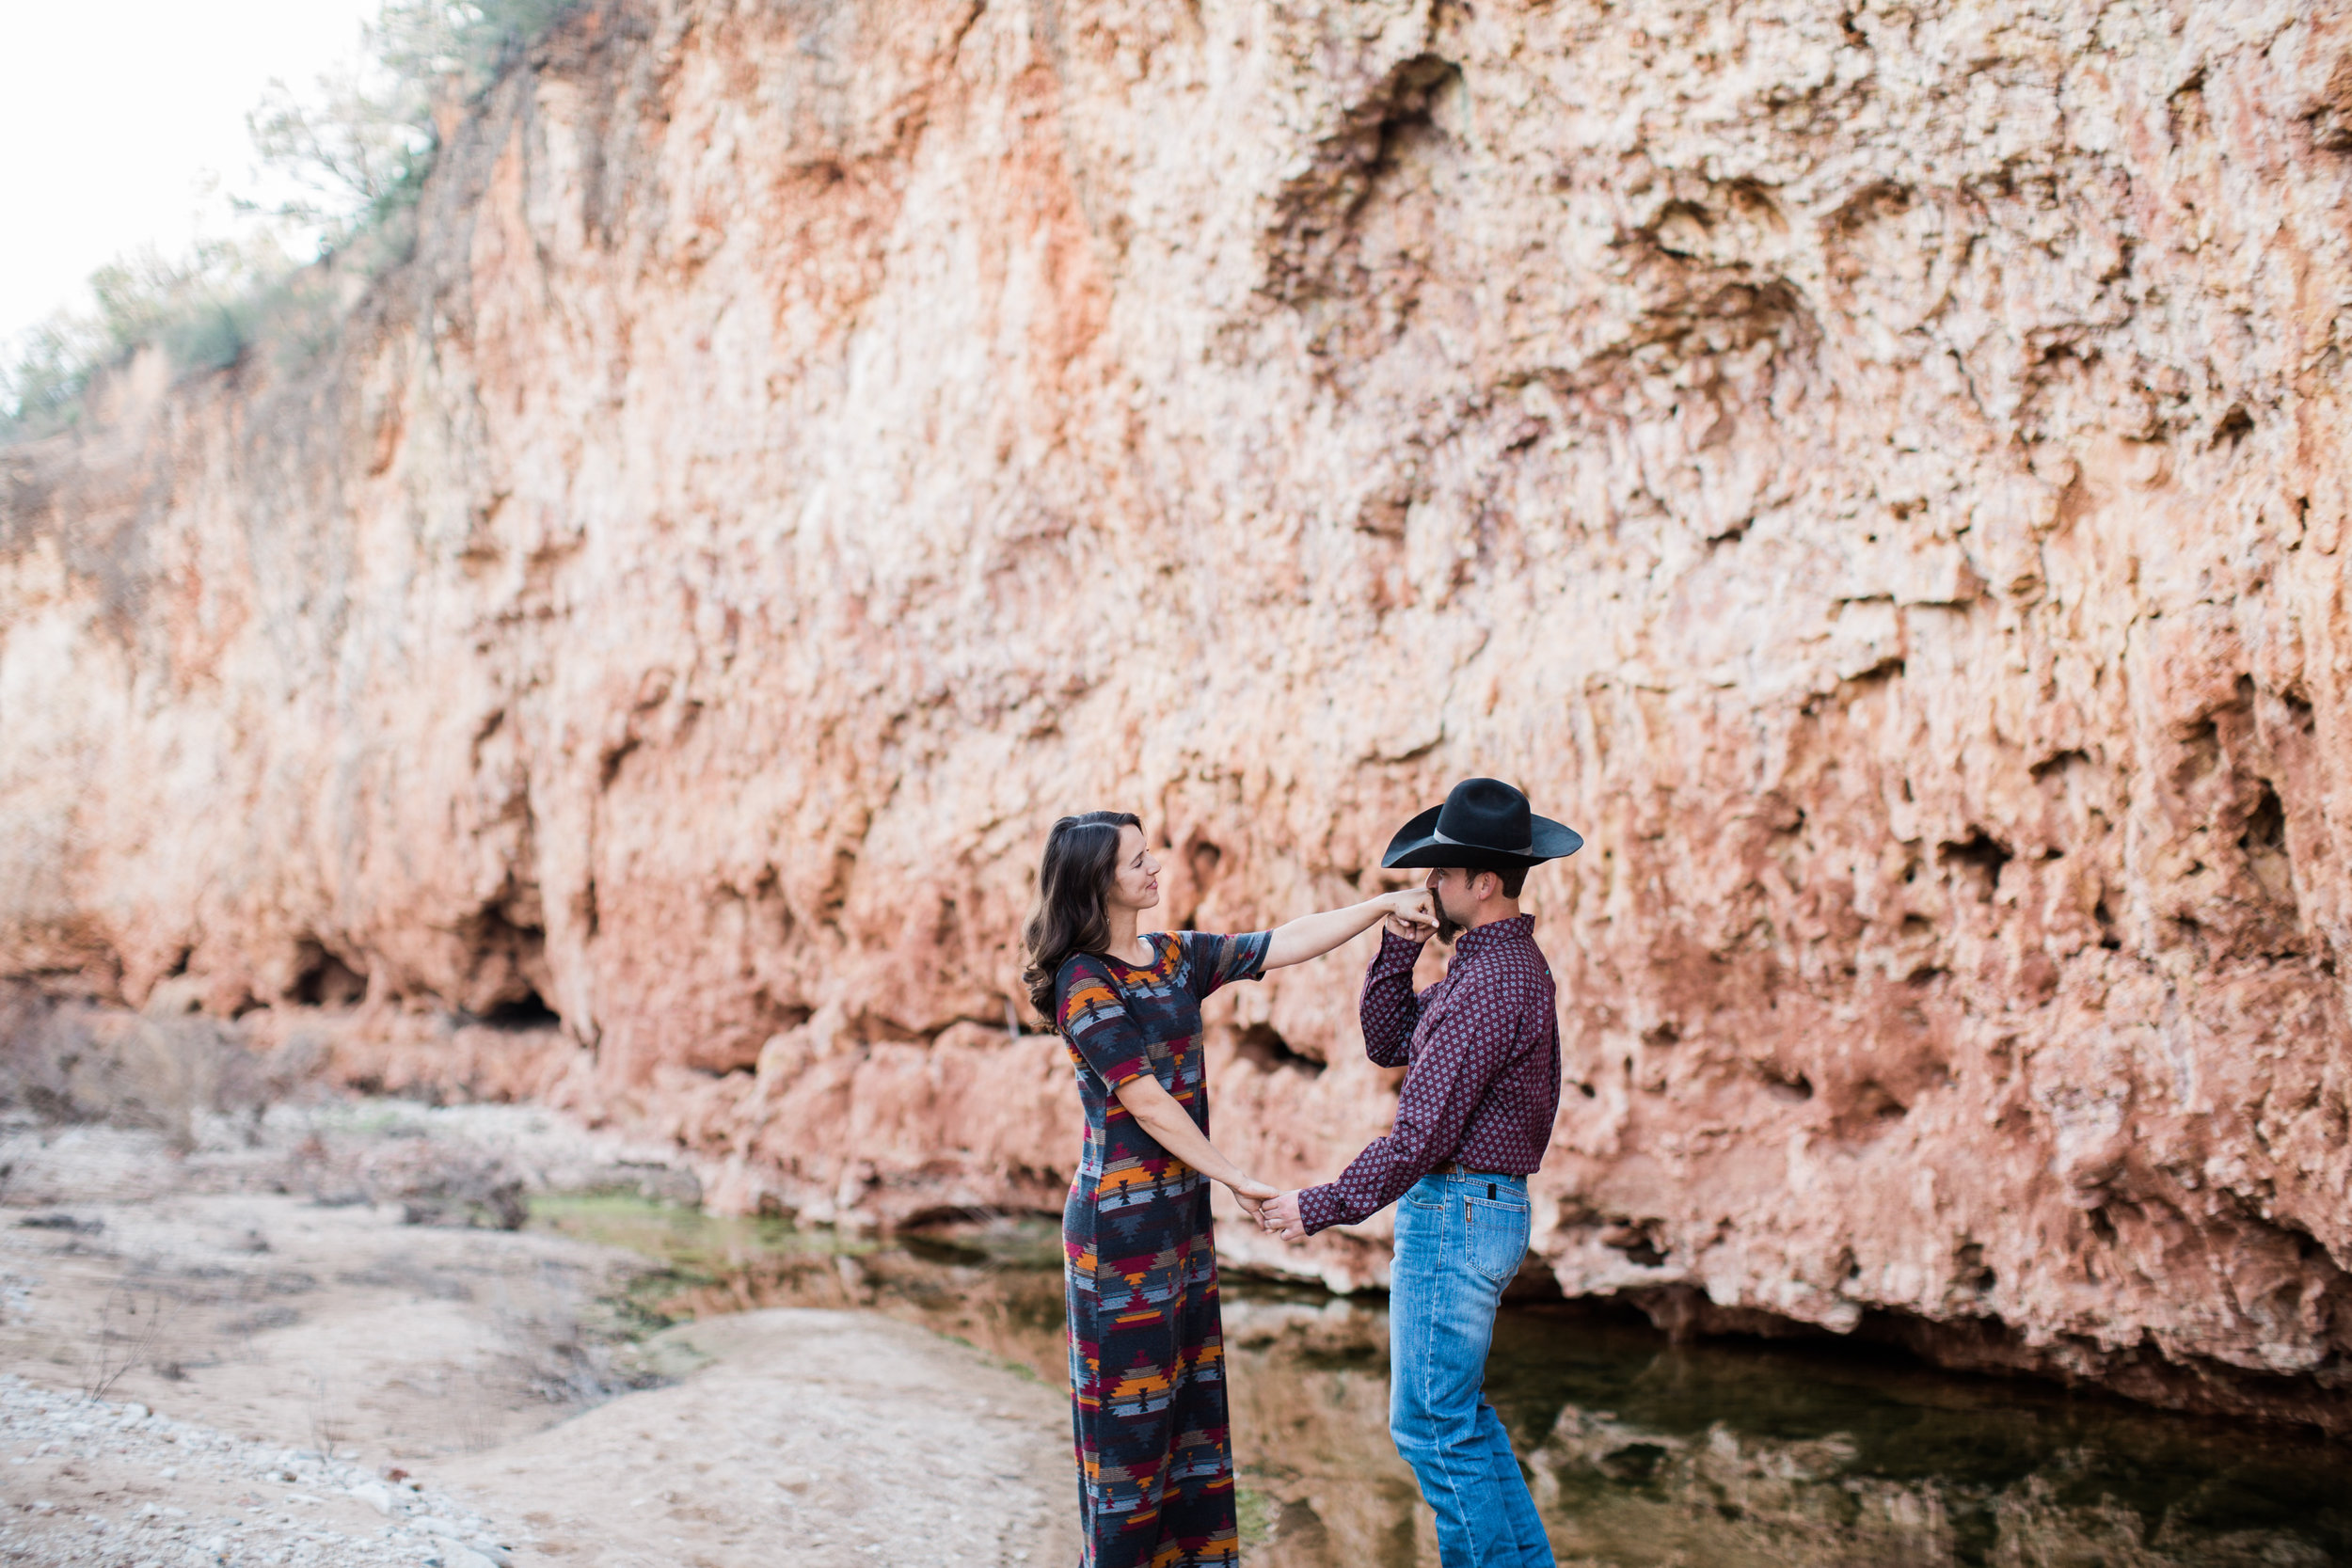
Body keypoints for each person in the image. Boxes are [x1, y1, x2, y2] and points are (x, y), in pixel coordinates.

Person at [1022, 810, 1436, 1568]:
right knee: (1129, 1428)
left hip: (1179, 1221)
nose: (1156, 866)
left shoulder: (1174, 956)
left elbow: (1282, 942)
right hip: (1118, 1238)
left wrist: (1382, 904)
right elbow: (1145, 1101)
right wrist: (1235, 1176)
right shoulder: (1084, 981)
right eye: (1137, 861)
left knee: (1190, 1409)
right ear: (1096, 883)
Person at [1259, 778, 1582, 1568]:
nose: (1429, 884)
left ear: (1485, 882)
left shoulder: (1493, 981)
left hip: (1458, 1210)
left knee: (1432, 1428)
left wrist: (1320, 1205)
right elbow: (1390, 1041)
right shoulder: (1492, 968)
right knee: (1458, 1420)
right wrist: (1399, 947)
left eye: (1442, 872)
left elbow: (1419, 1134)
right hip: (1476, 1207)